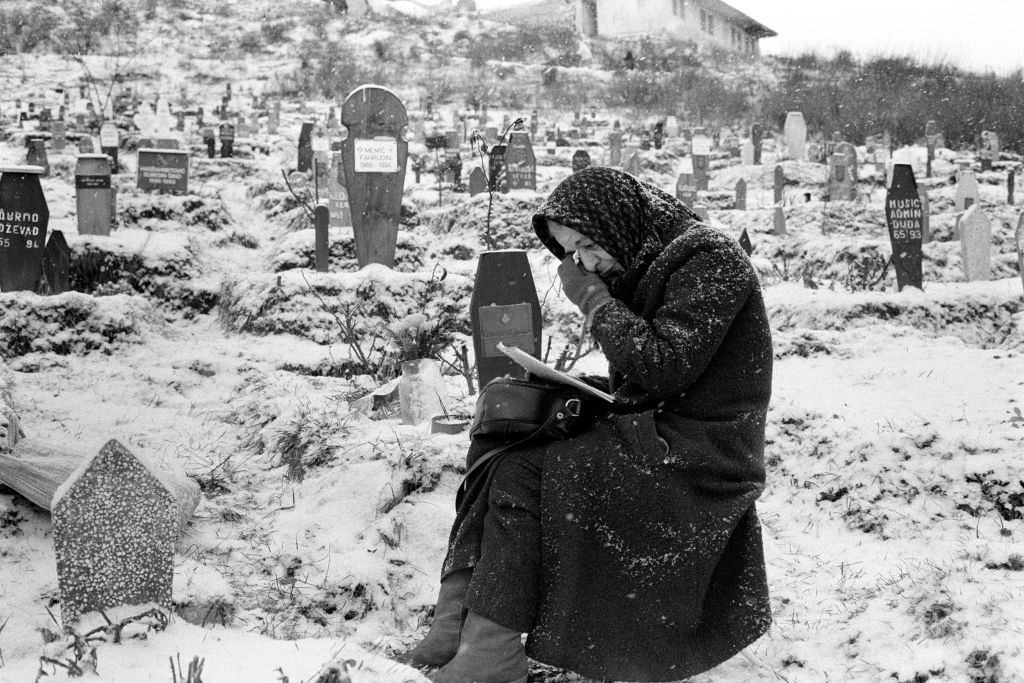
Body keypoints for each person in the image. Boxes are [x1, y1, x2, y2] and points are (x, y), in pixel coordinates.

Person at [401, 167, 773, 682]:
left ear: (616, 221)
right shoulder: (647, 260)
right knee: (504, 433)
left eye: (588, 245)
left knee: (528, 472)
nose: (586, 264)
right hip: (652, 421)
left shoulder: (710, 260)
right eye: (572, 254)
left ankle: (493, 649)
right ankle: (457, 619)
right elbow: (649, 374)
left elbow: (663, 367)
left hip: (699, 449)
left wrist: (594, 301)